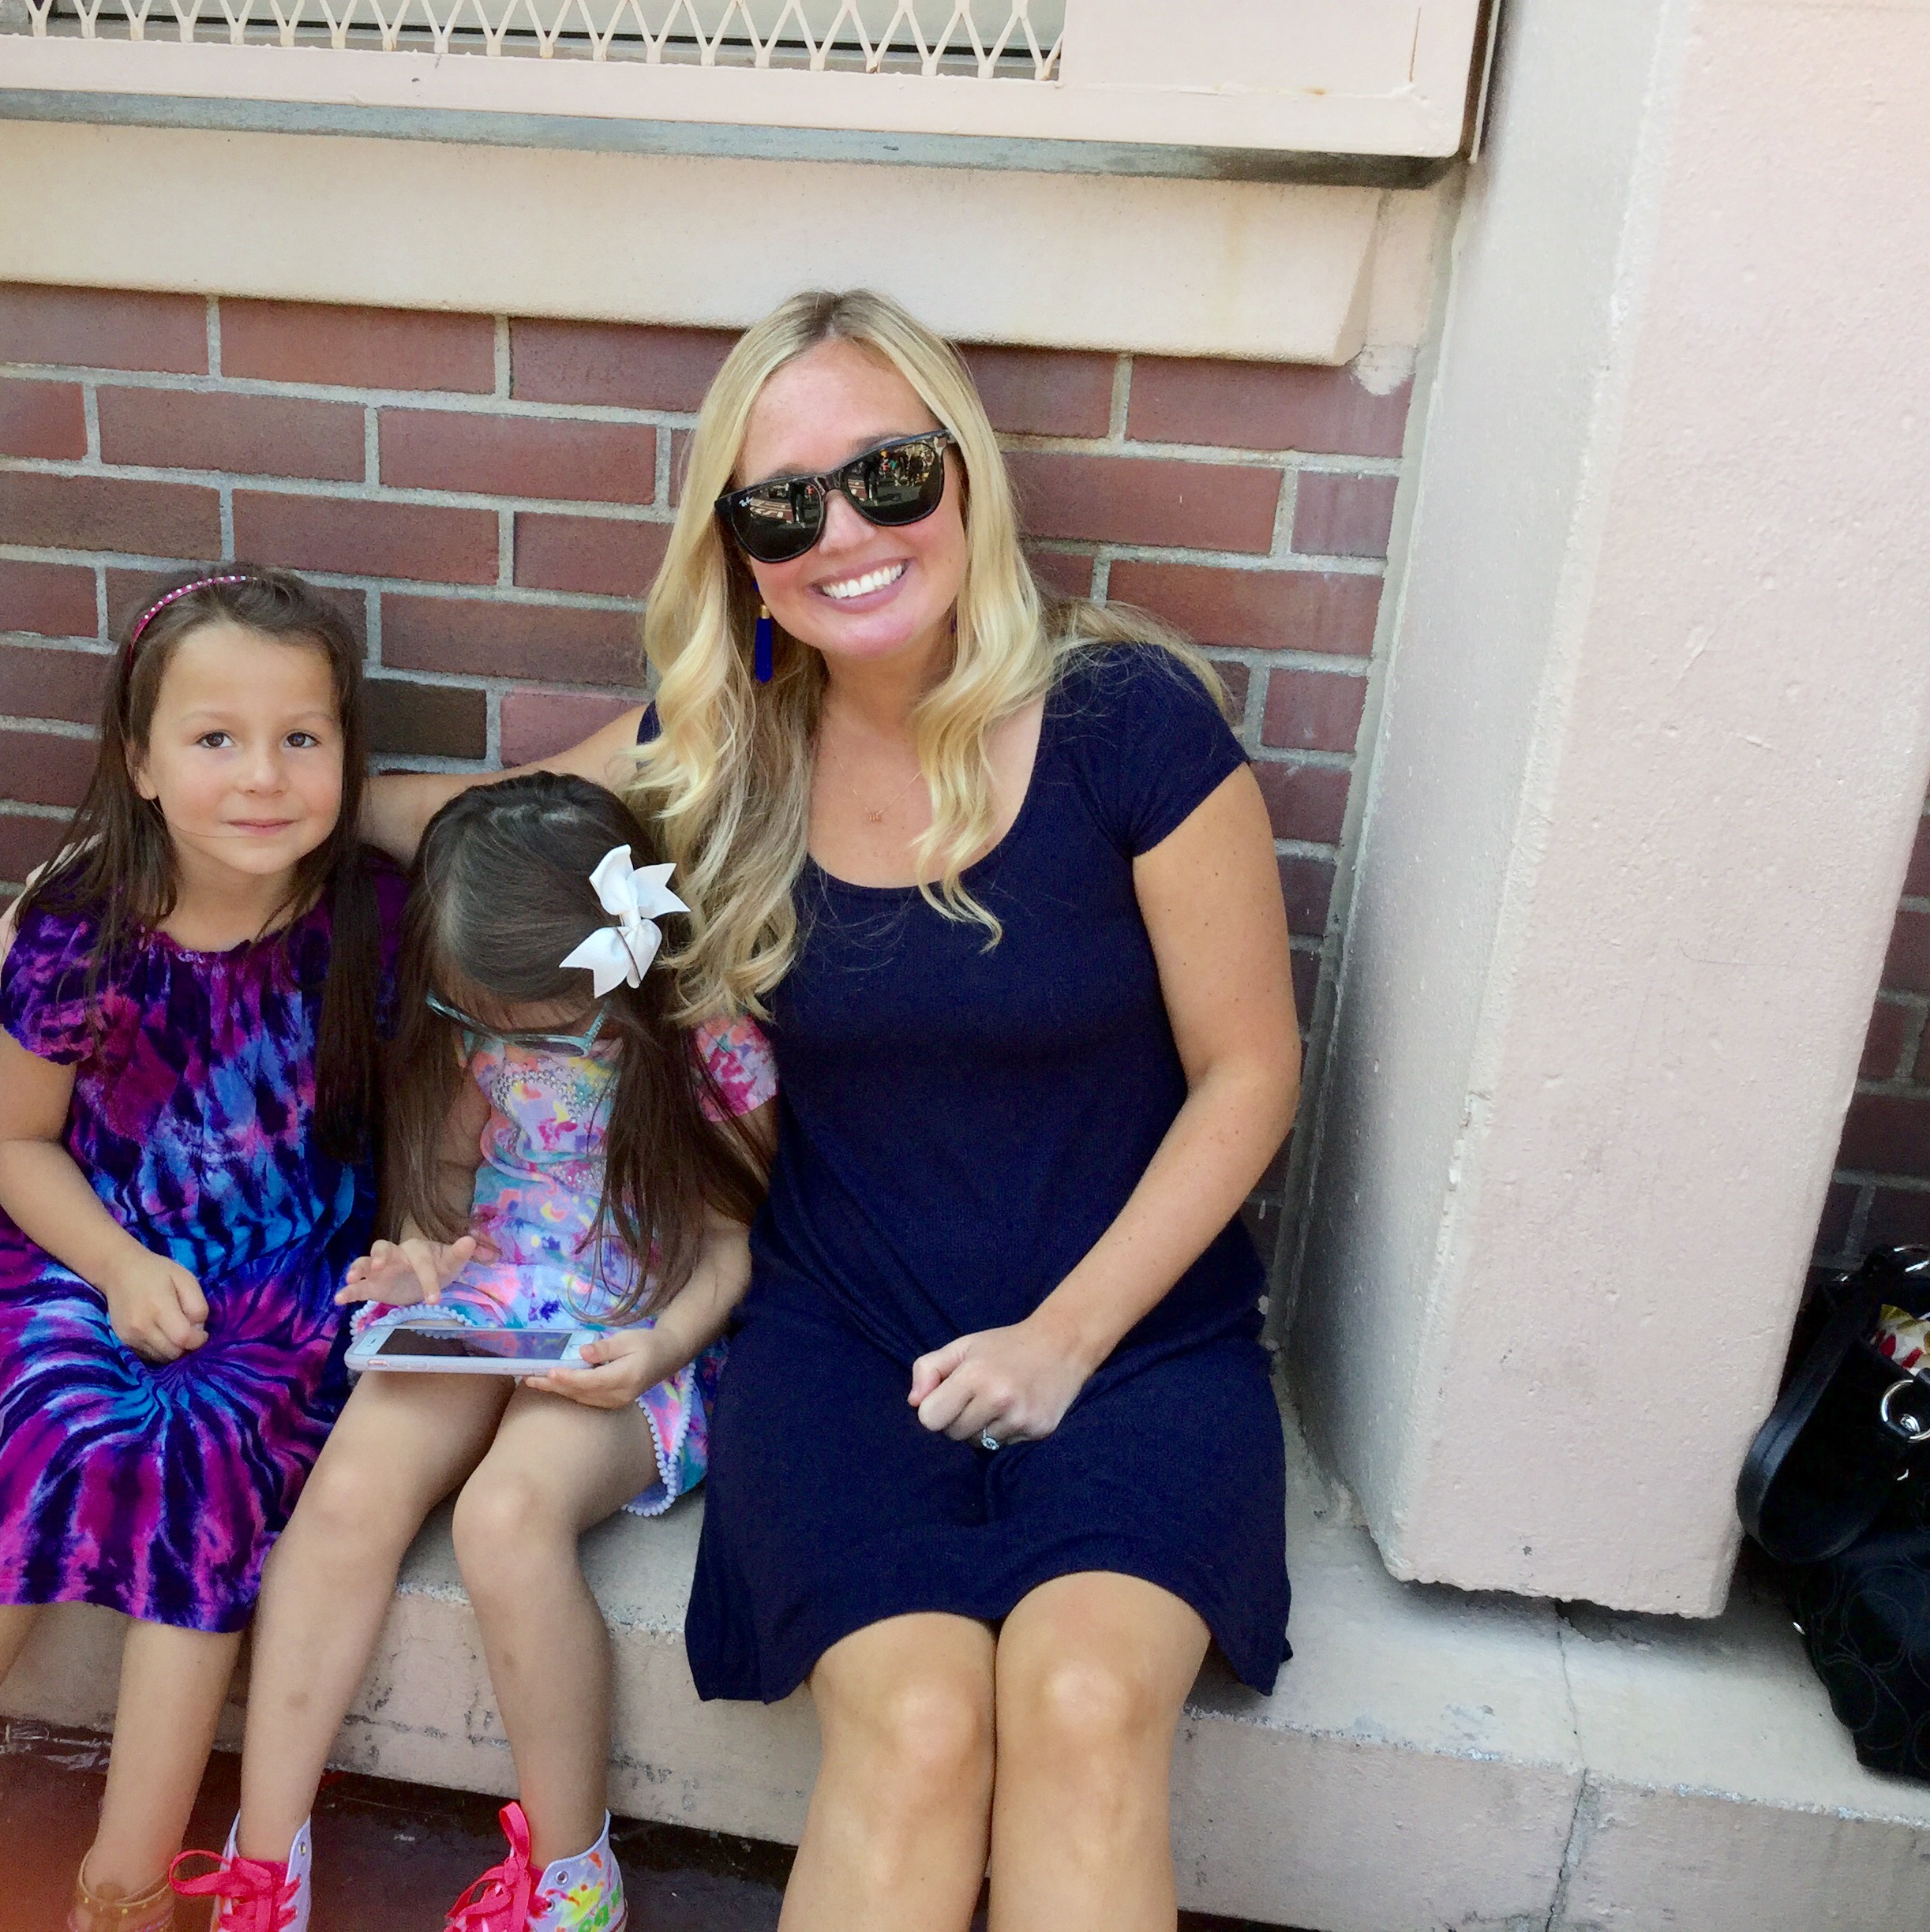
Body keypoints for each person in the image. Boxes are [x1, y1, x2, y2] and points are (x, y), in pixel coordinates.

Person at [364, 287, 1302, 1932]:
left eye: (888, 474)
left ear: (964, 474)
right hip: (844, 1336)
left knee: (1087, 1706)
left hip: (1132, 1335)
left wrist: (1063, 1340)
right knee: (918, 1729)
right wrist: (203, 839)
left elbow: (1252, 1072)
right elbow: (481, 823)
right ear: (738, 552)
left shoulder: (1126, 723)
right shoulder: (722, 747)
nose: (845, 534)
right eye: (783, 505)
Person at [0, 568, 405, 1932]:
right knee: (63, 1426)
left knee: (204, 1448)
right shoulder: (81, 929)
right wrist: (119, 1269)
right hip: (87, 1239)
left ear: (347, 755)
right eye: (215, 738)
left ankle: (126, 1883)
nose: (262, 776)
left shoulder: (373, 917)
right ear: (139, 763)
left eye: (302, 737)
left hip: (285, 1264)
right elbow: (17, 1146)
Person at [172, 774, 776, 1932]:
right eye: (480, 1022)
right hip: (493, 1292)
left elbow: (732, 1243)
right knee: (345, 1499)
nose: (501, 1045)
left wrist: (658, 1348)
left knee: (506, 1517)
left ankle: (571, 1875)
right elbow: (447, 1189)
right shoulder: (475, 1025)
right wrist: (419, 1260)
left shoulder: (704, 1046)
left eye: (537, 1026)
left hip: (635, 1324)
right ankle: (264, 1863)